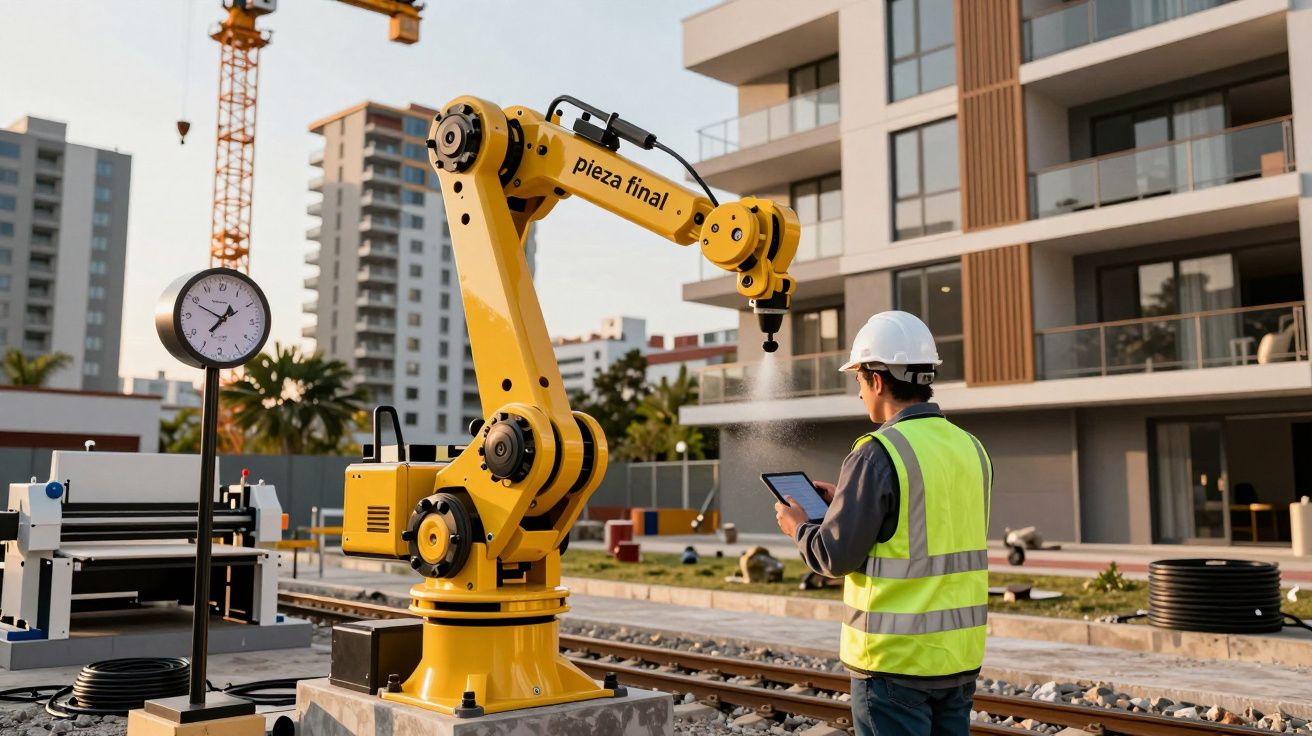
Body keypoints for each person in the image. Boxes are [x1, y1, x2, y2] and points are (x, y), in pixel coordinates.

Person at [773, 310, 992, 736]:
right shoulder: (972, 448)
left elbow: (833, 556)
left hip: (894, 665)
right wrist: (849, 504)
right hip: (958, 660)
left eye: (857, 381)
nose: (858, 394)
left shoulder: (876, 452)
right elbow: (928, 519)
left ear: (876, 379)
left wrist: (799, 527)